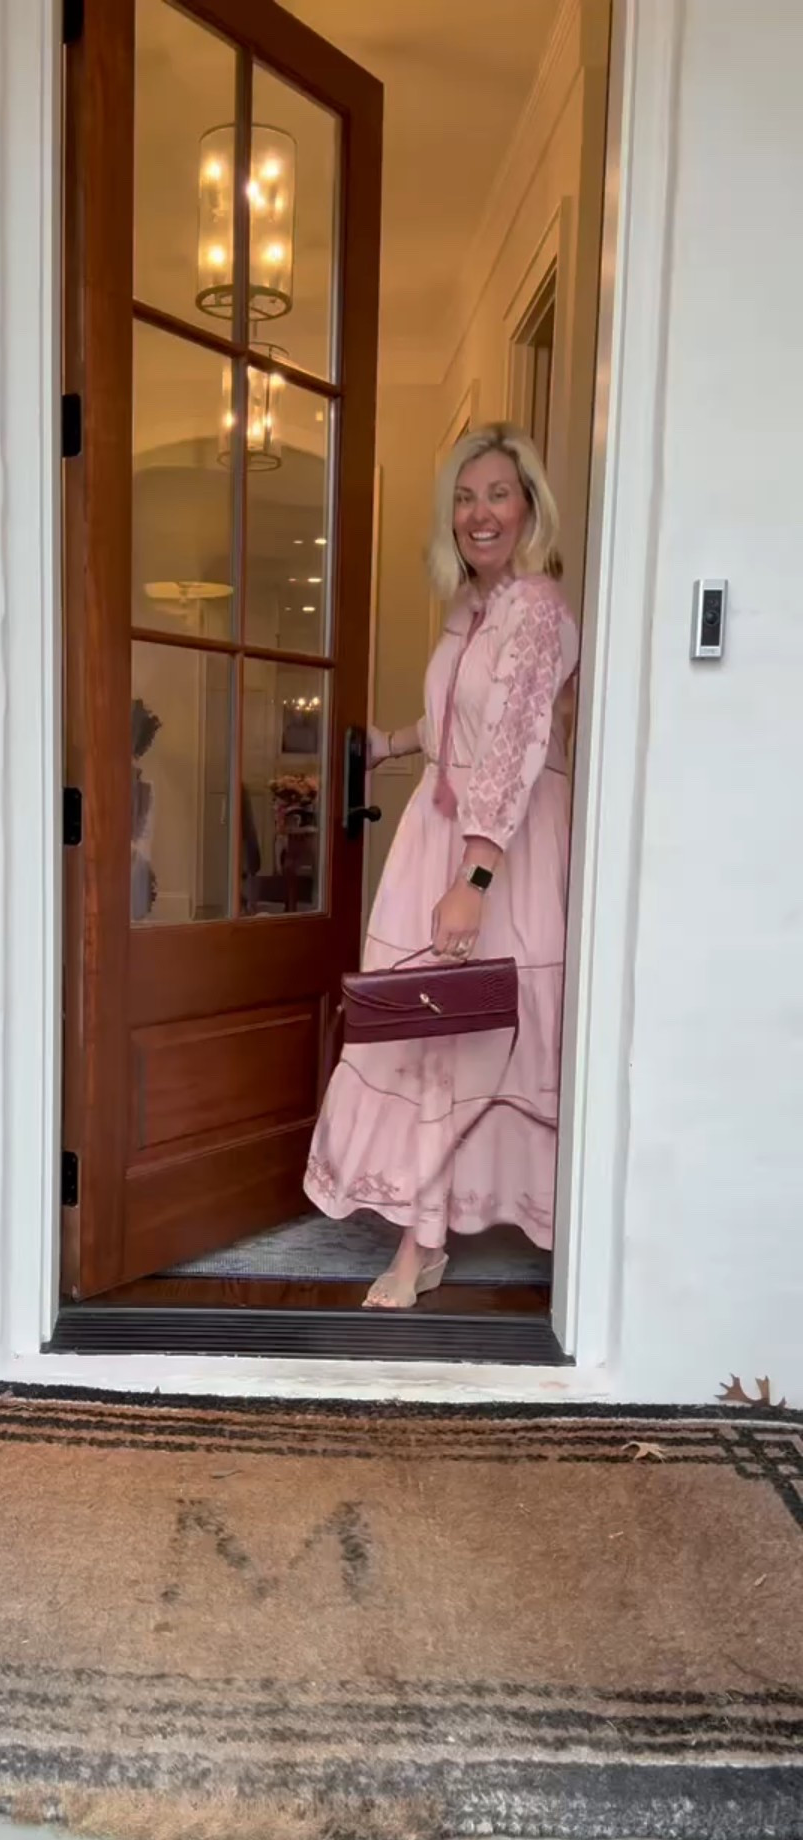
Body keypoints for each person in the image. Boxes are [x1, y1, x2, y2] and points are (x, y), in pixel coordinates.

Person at [304, 423, 579, 1308]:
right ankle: (424, 1238)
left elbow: (512, 746)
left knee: (466, 1038)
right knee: (424, 1037)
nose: (479, 513)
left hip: (497, 849)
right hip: (441, 833)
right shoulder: (473, 609)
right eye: (465, 498)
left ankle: (427, 1248)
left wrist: (476, 877)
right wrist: (390, 743)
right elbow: (459, 722)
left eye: (498, 493)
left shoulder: (536, 611)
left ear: (531, 506)